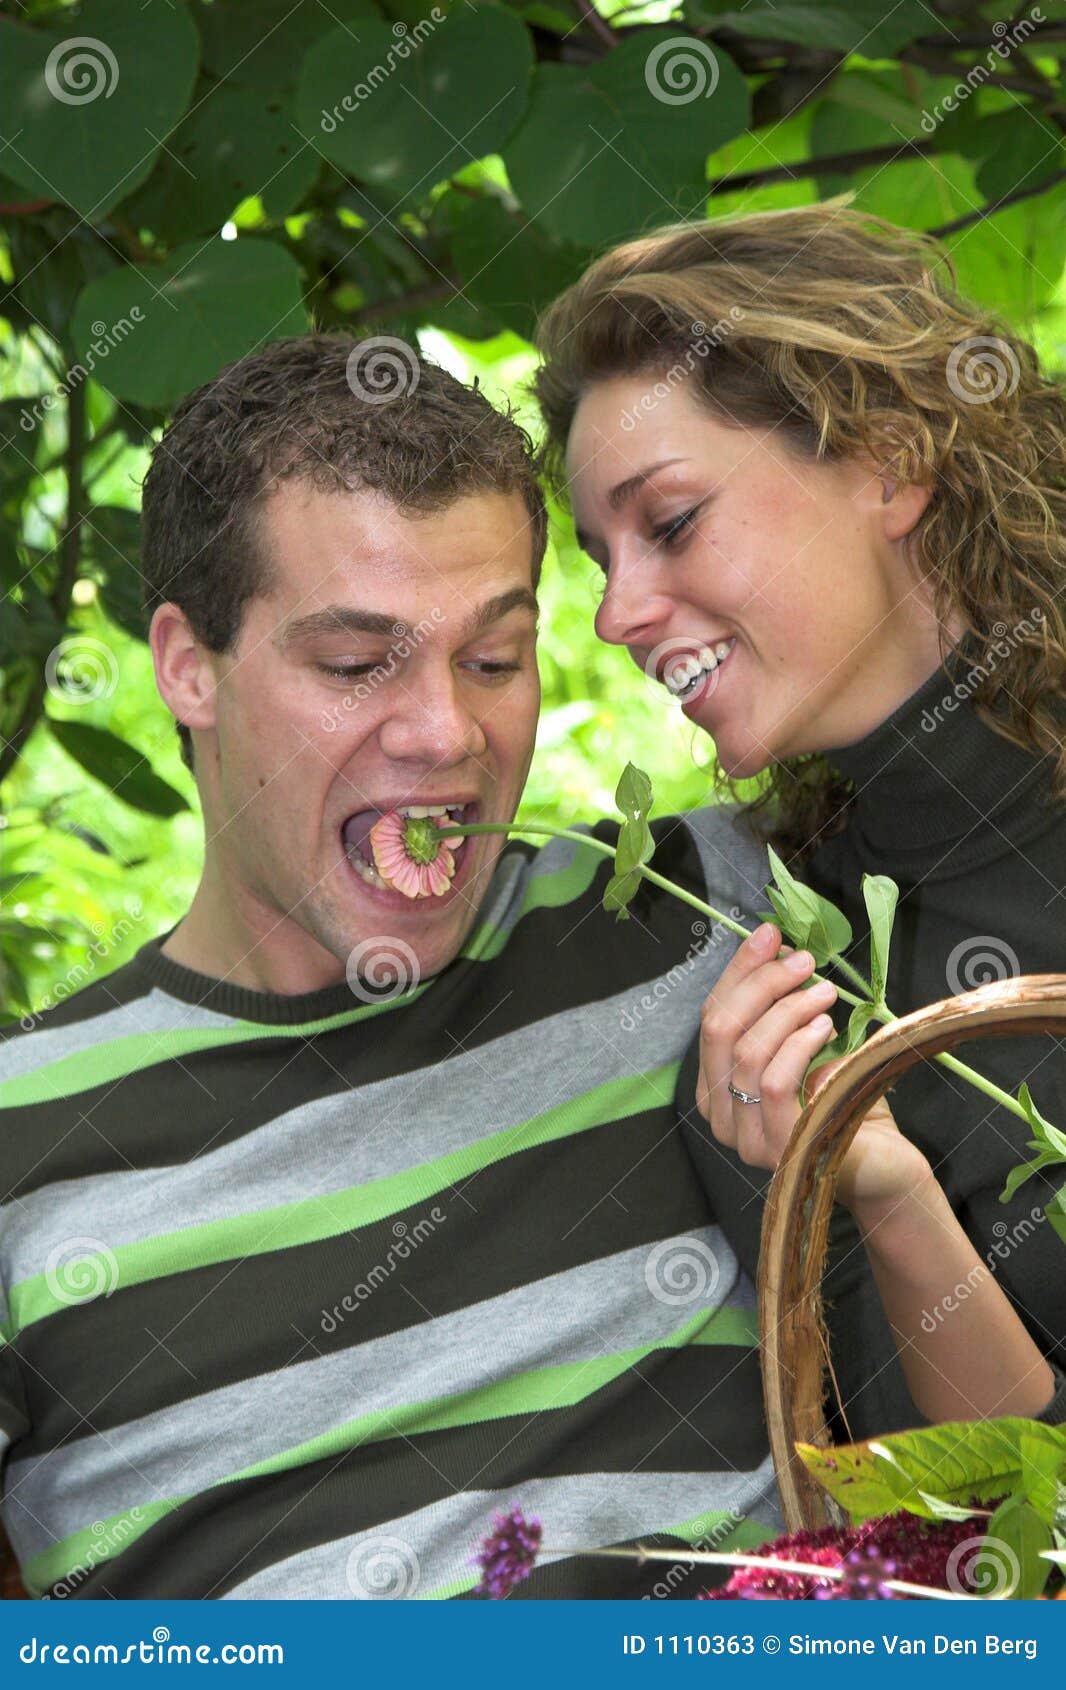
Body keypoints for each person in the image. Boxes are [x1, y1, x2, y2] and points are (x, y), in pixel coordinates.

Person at [0, 334, 781, 1601]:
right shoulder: (22, 1131)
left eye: (493, 660)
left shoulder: (685, 911)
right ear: (188, 666)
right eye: (357, 664)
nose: (443, 732)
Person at [531, 204, 1066, 1439]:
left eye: (669, 523)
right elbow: (950, 1513)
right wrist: (875, 1186)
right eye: (601, 558)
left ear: (888, 462)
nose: (614, 616)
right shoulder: (784, 1010)